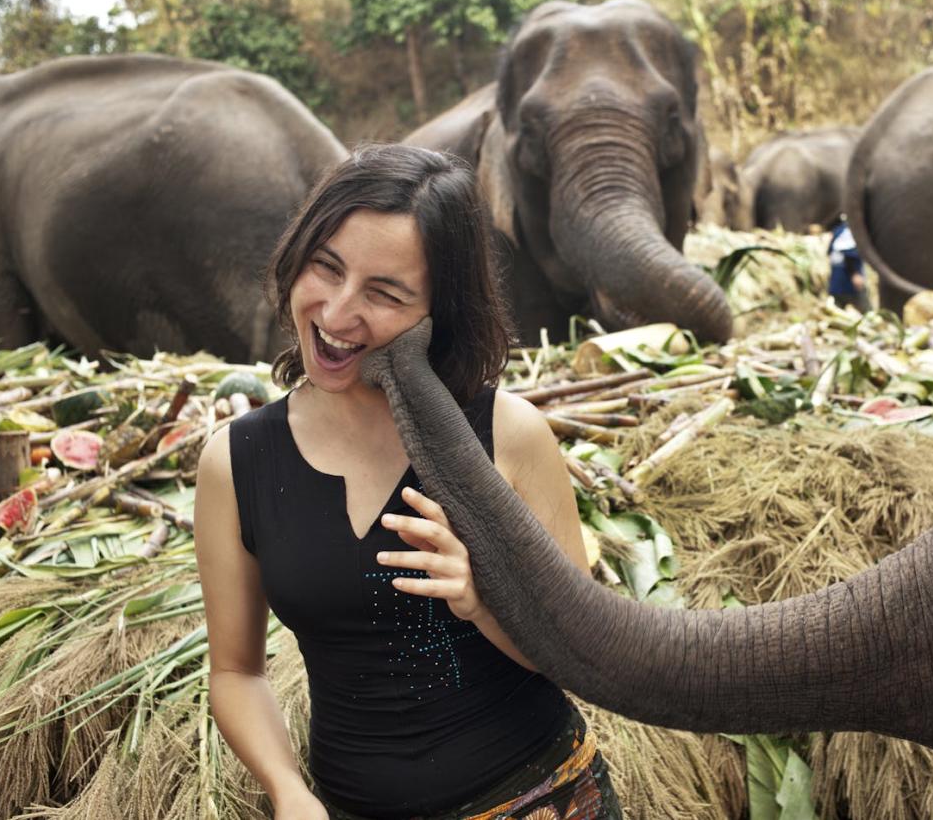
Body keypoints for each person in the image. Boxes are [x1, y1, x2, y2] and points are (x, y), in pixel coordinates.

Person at [194, 143, 622, 820]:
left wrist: (482, 600)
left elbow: (580, 656)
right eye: (325, 268)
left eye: (385, 294)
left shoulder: (507, 435)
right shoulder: (235, 462)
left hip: (541, 799)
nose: (336, 315)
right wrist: (287, 788)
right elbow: (236, 671)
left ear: (439, 311)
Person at [827, 219, 870, 312]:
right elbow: (849, 253)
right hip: (847, 282)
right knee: (866, 312)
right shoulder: (847, 231)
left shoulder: (839, 230)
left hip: (838, 282)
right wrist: (855, 273)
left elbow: (829, 252)